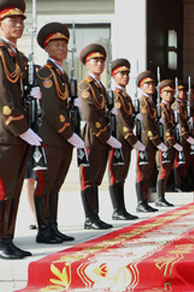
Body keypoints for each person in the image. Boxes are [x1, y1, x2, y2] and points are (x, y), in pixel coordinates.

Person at [35, 22, 85, 243]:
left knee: (56, 184)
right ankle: (43, 229)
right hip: (52, 138)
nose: (62, 49)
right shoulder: (45, 72)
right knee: (46, 184)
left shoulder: (62, 74)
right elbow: (52, 109)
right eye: (57, 45)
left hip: (63, 139)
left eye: (64, 45)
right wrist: (69, 133)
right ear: (47, 48)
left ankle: (53, 226)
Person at [0, 0, 43, 259]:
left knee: (14, 189)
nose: (18, 24)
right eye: (12, 20)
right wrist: (20, 126)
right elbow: (4, 96)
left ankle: (8, 237)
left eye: (21, 21)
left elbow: (19, 92)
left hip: (20, 134)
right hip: (6, 133)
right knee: (4, 188)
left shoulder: (20, 57)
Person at [78, 43, 122, 230]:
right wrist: (107, 136)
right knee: (88, 178)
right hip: (92, 138)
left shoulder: (100, 87)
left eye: (102, 60)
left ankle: (95, 215)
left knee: (96, 178)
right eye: (95, 60)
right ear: (87, 64)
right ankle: (90, 217)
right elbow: (90, 116)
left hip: (101, 139)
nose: (99, 63)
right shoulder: (85, 85)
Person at [108, 58, 146, 221]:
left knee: (122, 175)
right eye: (121, 74)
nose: (125, 76)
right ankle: (117, 209)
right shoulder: (116, 96)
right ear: (114, 76)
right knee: (116, 175)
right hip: (118, 141)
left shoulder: (126, 96)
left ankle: (122, 208)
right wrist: (133, 140)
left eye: (127, 74)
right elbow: (122, 123)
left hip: (125, 143)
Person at [135, 70, 163, 213]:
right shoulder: (143, 102)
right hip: (145, 141)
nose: (151, 86)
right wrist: (157, 141)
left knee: (148, 171)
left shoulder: (151, 102)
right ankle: (141, 201)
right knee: (142, 171)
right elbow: (147, 124)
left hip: (151, 142)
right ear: (141, 85)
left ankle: (144, 200)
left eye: (152, 84)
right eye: (147, 84)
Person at [155, 79, 182, 207]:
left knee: (167, 170)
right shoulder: (160, 109)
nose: (170, 95)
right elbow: (165, 128)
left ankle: (162, 196)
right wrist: (172, 142)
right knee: (163, 170)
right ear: (161, 94)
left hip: (169, 145)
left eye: (171, 93)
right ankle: (159, 197)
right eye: (166, 92)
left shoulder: (169, 109)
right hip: (163, 145)